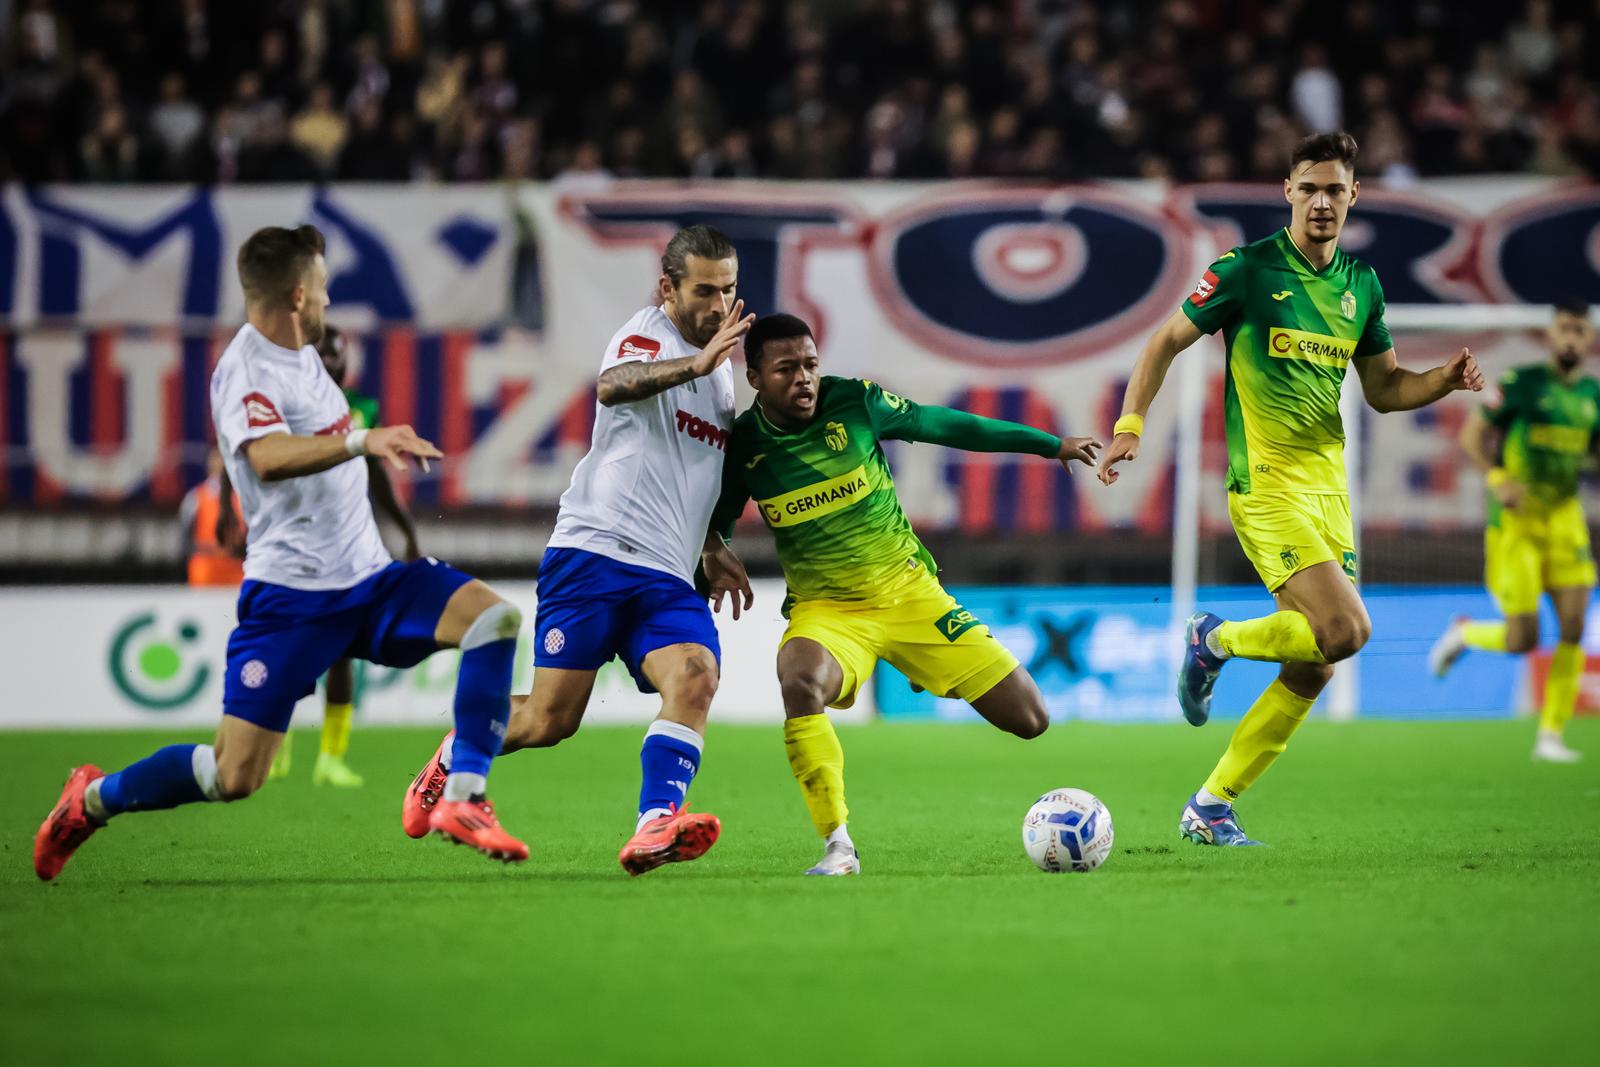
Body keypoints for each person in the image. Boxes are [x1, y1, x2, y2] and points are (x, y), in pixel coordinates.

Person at [34, 224, 527, 881]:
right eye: (323, 287)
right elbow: (265, 458)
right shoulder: (245, 372)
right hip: (293, 601)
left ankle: (462, 796)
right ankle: (89, 800)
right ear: (298, 294)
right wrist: (361, 441)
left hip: (370, 579)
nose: (329, 299)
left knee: (494, 620)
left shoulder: (306, 354)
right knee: (232, 774)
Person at [1096, 131, 1485, 847]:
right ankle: (1213, 637)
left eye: (1335, 189)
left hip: (1329, 494)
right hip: (1267, 486)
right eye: (1309, 188)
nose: (1322, 202)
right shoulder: (1246, 271)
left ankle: (1210, 804)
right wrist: (1131, 423)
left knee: (1314, 662)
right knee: (1348, 630)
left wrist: (1443, 381)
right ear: (1288, 192)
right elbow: (1163, 343)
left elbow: (1386, 388)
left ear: (1354, 197)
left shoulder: (1360, 287)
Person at [401, 224, 756, 876]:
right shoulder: (650, 333)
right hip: (595, 554)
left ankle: (656, 823)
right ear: (667, 288)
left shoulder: (721, 375)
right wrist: (693, 363)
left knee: (697, 677)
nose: (718, 304)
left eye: (728, 289)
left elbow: (688, 466)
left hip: (668, 573)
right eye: (704, 290)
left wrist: (711, 543)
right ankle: (454, 757)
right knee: (547, 719)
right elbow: (614, 384)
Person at [708, 313, 1103, 876]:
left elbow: (945, 425)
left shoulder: (856, 403)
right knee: (798, 680)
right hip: (829, 612)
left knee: (1030, 719)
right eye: (786, 368)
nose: (804, 379)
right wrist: (712, 549)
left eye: (811, 365)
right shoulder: (744, 445)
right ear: (754, 378)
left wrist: (1049, 445)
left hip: (911, 594)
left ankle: (926, 664)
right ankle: (838, 845)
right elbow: (718, 518)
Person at [233, 324, 422, 788]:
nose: (335, 360)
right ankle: (274, 748)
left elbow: (376, 473)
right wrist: (228, 508)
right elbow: (244, 452)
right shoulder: (284, 397)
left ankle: (331, 758)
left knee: (342, 656)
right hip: (296, 547)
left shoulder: (359, 408)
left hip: (346, 549)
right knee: (291, 654)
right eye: (325, 351)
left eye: (339, 354)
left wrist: (404, 530)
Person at [1430, 301, 1598, 763]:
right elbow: (1471, 435)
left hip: (1565, 521)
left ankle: (1550, 736)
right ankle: (1464, 635)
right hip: (1516, 525)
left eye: (1578, 331)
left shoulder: (1591, 396)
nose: (1570, 338)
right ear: (1551, 335)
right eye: (1564, 329)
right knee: (1524, 638)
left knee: (1573, 626)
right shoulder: (1521, 385)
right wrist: (1498, 478)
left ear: (1587, 340)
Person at [180, 448, 246, 587]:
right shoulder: (196, 497)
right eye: (216, 459)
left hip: (235, 570)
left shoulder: (242, 497)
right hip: (204, 570)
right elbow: (185, 537)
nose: (220, 464)